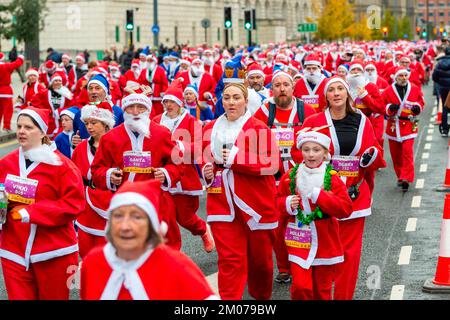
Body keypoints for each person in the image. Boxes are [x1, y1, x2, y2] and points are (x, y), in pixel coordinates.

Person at [299, 76, 386, 300]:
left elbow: (375, 151)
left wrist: (369, 158)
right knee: (325, 251)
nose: (336, 93)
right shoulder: (314, 121)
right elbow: (296, 151)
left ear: (348, 94)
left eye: (340, 89)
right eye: (331, 90)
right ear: (325, 96)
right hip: (323, 196)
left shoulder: (362, 120)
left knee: (350, 253)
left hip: (355, 195)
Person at [201, 82, 279, 300]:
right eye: (227, 97)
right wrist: (208, 171)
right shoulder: (209, 129)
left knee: (261, 263)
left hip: (256, 203)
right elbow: (207, 161)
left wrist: (237, 159)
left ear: (246, 101)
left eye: (236, 97)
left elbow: (272, 164)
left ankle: (261, 298)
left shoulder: (259, 128)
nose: (231, 102)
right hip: (222, 204)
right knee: (230, 260)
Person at [80, 179, 218, 300]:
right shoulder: (93, 262)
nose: (125, 226)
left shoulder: (177, 266)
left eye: (137, 217)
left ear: (152, 225)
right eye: (118, 216)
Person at [0, 107, 85, 300]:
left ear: (43, 132)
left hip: (53, 252)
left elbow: (74, 204)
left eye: (28, 127)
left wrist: (32, 212)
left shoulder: (63, 166)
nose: (21, 131)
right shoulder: (6, 163)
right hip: (13, 249)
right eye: (19, 126)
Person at [90, 92, 183, 250]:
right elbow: (97, 169)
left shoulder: (162, 133)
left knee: (163, 249)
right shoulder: (110, 137)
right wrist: (109, 175)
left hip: (156, 200)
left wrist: (166, 173)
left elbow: (179, 163)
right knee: (127, 250)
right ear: (125, 110)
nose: (135, 111)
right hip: (123, 202)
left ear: (147, 110)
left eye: (140, 107)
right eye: (130, 107)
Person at [253, 70, 316, 284]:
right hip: (274, 176)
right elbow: (253, 140)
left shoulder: (305, 110)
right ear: (272, 89)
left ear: (292, 87)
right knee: (278, 225)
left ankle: (308, 260)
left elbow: (318, 138)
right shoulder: (263, 112)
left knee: (305, 219)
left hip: (303, 173)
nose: (282, 89)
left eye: (286, 85)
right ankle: (284, 267)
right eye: (277, 85)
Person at [276, 130, 352, 300]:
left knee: (322, 291)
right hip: (298, 237)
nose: (310, 155)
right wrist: (287, 203)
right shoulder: (290, 177)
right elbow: (276, 201)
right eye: (306, 149)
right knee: (301, 287)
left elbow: (346, 209)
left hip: (325, 239)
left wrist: (321, 196)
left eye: (316, 150)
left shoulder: (332, 178)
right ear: (300, 151)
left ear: (325, 153)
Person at [152, 79, 215, 252]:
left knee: (185, 218)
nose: (168, 105)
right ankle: (173, 254)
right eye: (166, 101)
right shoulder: (156, 120)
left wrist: (178, 146)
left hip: (184, 176)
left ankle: (202, 230)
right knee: (167, 218)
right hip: (162, 175)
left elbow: (199, 146)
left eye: (173, 101)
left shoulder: (191, 121)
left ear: (180, 104)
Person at [71, 102, 116, 258]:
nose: (89, 127)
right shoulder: (81, 147)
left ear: (105, 125)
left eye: (94, 123)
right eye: (87, 123)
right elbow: (73, 176)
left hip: (111, 202)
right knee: (86, 251)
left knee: (108, 253)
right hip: (87, 205)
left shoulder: (116, 146)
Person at [382, 67, 425, 191]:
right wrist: (389, 107)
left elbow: (420, 101)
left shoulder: (414, 89)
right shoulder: (388, 90)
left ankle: (406, 177)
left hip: (408, 125)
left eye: (405, 75)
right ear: (395, 77)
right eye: (401, 76)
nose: (404, 78)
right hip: (393, 125)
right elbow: (381, 104)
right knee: (396, 155)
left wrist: (417, 107)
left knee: (407, 152)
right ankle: (400, 176)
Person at [30, 72, 74, 138]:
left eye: (59, 81)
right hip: (50, 121)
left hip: (61, 121)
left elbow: (72, 105)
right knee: (48, 140)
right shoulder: (45, 92)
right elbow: (34, 100)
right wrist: (45, 111)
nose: (58, 82)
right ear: (52, 82)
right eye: (56, 80)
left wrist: (61, 111)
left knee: (60, 138)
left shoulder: (66, 93)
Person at [0, 52, 24, 131]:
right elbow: (17, 63)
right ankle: (6, 126)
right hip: (6, 92)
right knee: (8, 110)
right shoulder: (7, 66)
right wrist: (20, 56)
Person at [432, 46, 450, 137]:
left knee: (444, 108)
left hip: (443, 87)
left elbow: (434, 76)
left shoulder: (439, 63)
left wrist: (440, 82)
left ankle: (444, 128)